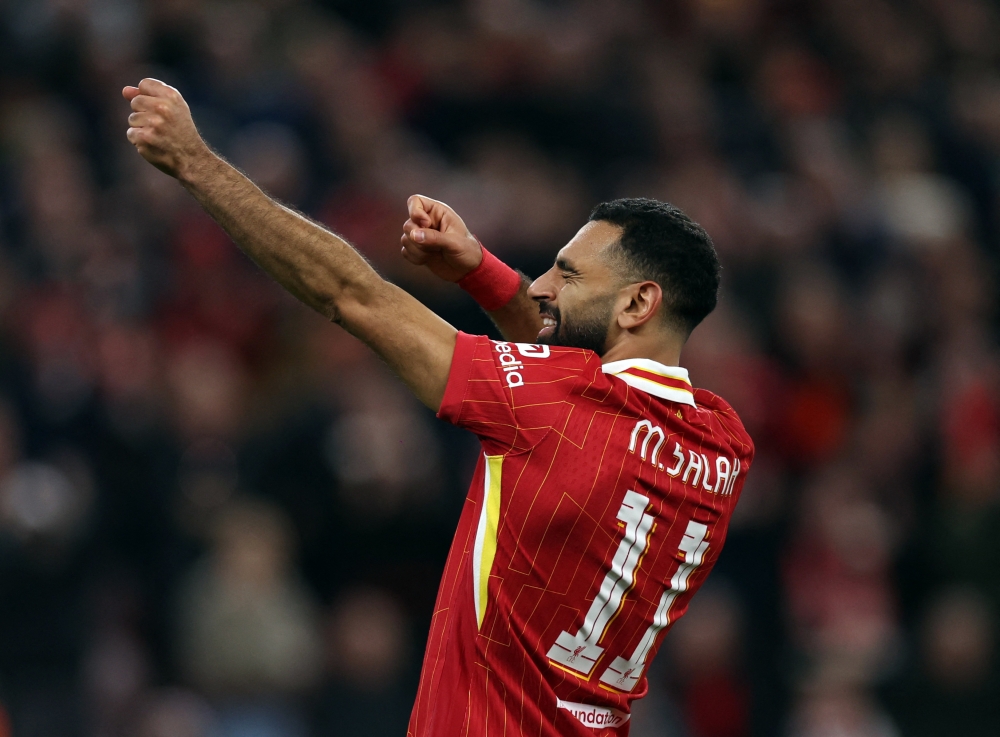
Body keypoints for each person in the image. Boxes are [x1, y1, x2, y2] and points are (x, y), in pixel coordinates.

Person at [122, 78, 754, 736]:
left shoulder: (550, 404)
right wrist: (480, 268)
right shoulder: (724, 446)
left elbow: (350, 293)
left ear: (636, 304)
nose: (540, 285)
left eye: (566, 275)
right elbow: (574, 369)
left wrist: (194, 162)